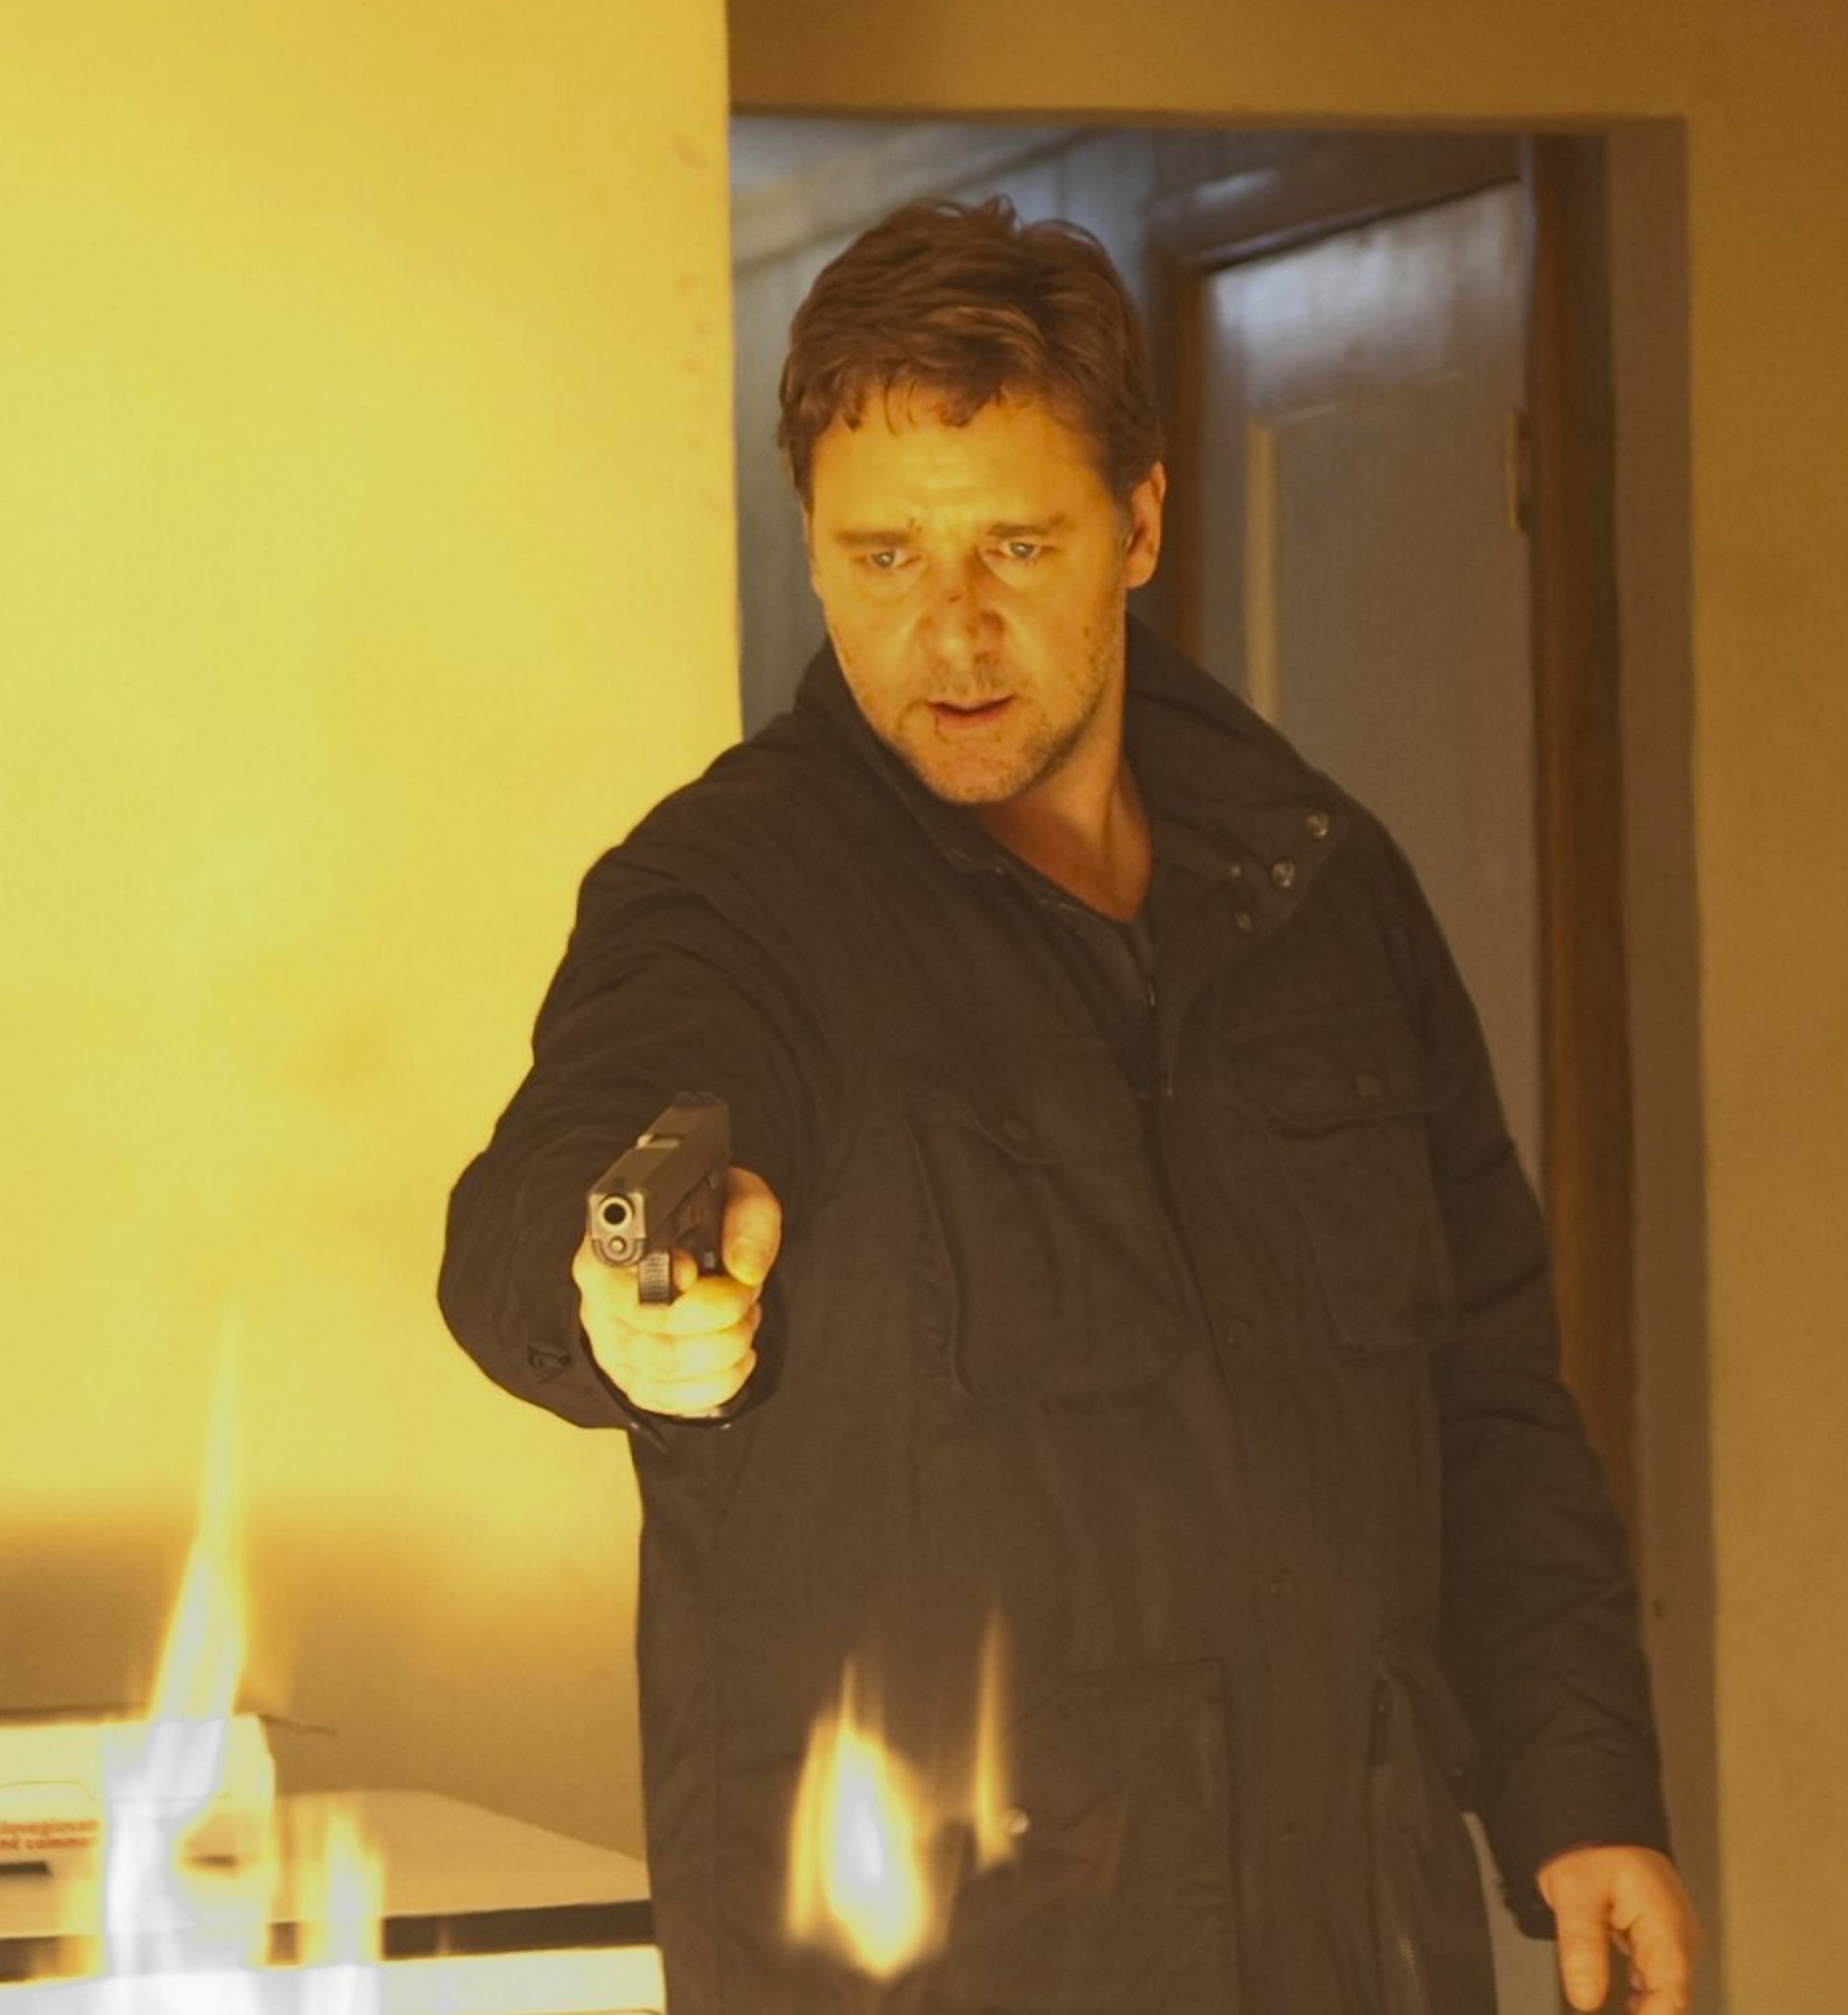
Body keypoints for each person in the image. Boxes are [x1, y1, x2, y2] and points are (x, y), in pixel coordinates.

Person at [438, 195, 1696, 2015]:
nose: (950, 631)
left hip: (1358, 1947)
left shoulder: (1321, 886)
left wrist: (1581, 1796)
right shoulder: (733, 899)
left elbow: (1486, 1390)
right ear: (811, 543)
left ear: (1142, 525)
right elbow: (547, 1187)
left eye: (1016, 548)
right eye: (883, 556)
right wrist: (621, 1306)